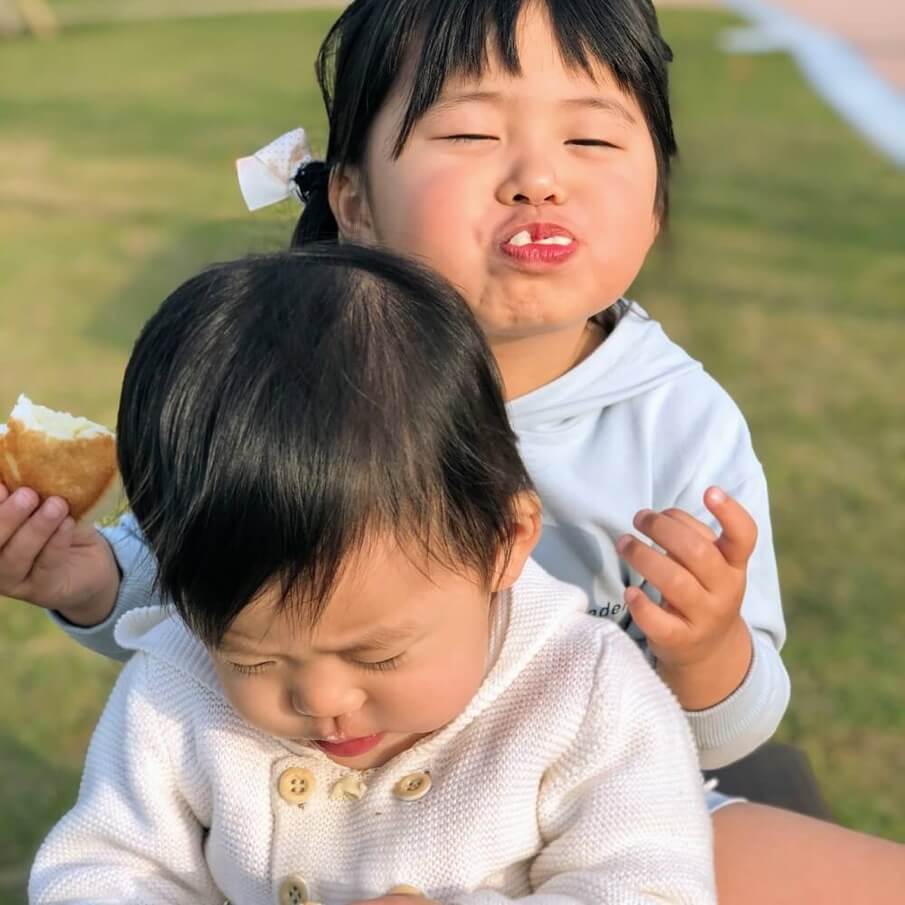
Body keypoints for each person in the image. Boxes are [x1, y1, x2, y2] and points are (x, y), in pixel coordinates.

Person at [3, 1, 903, 901]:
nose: (537, 179)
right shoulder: (289, 374)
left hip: (601, 813)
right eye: (471, 132)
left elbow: (722, 739)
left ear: (658, 200)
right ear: (351, 197)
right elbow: (227, 615)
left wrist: (704, 651)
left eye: (589, 141)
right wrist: (96, 586)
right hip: (308, 809)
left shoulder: (680, 419)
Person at [28, 246, 716, 905]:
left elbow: (648, 884)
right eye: (254, 657)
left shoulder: (581, 692)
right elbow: (108, 866)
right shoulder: (174, 683)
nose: (321, 699)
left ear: (501, 544)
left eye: (378, 652)